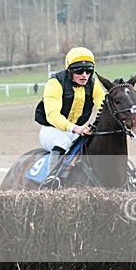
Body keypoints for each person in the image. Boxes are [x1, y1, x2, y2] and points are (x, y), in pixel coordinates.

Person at [34, 46, 106, 186]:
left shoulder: (93, 83)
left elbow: (103, 106)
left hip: (76, 130)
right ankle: (50, 180)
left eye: (89, 71)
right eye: (79, 71)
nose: (84, 75)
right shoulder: (55, 83)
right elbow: (53, 115)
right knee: (63, 142)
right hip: (52, 129)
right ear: (70, 71)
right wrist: (75, 128)